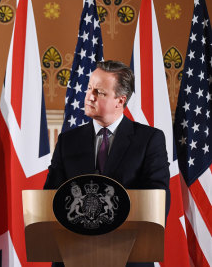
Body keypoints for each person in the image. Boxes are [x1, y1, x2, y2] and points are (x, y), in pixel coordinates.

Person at [44, 60, 170, 267]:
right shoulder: (68, 140)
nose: (89, 96)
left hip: (128, 256)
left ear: (120, 100)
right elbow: (51, 195)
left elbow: (157, 199)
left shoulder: (149, 139)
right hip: (73, 255)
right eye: (89, 88)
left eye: (99, 92)